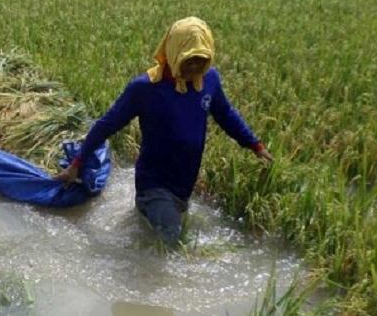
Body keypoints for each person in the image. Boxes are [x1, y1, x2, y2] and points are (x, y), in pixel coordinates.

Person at [55, 17, 273, 246]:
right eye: (189, 60)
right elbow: (106, 125)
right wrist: (77, 164)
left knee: (166, 236)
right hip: (154, 185)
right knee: (171, 246)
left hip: (183, 184)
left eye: (202, 60)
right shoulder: (145, 88)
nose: (195, 67)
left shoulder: (209, 81)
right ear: (173, 53)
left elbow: (226, 114)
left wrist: (254, 144)